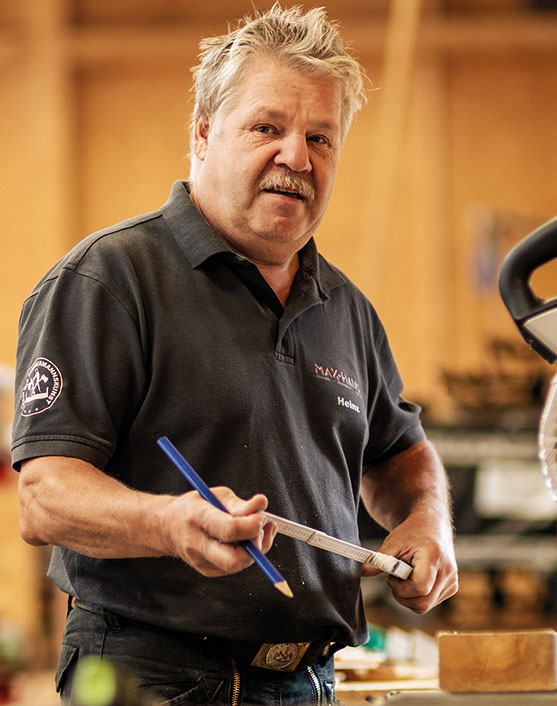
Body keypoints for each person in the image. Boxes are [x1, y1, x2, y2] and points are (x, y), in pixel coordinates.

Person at [12, 5, 458, 705]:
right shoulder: (109, 281)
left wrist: (428, 521)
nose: (296, 156)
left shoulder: (348, 312)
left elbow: (401, 454)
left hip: (310, 682)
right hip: (151, 677)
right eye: (267, 128)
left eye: (321, 137)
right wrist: (167, 524)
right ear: (200, 131)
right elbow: (44, 498)